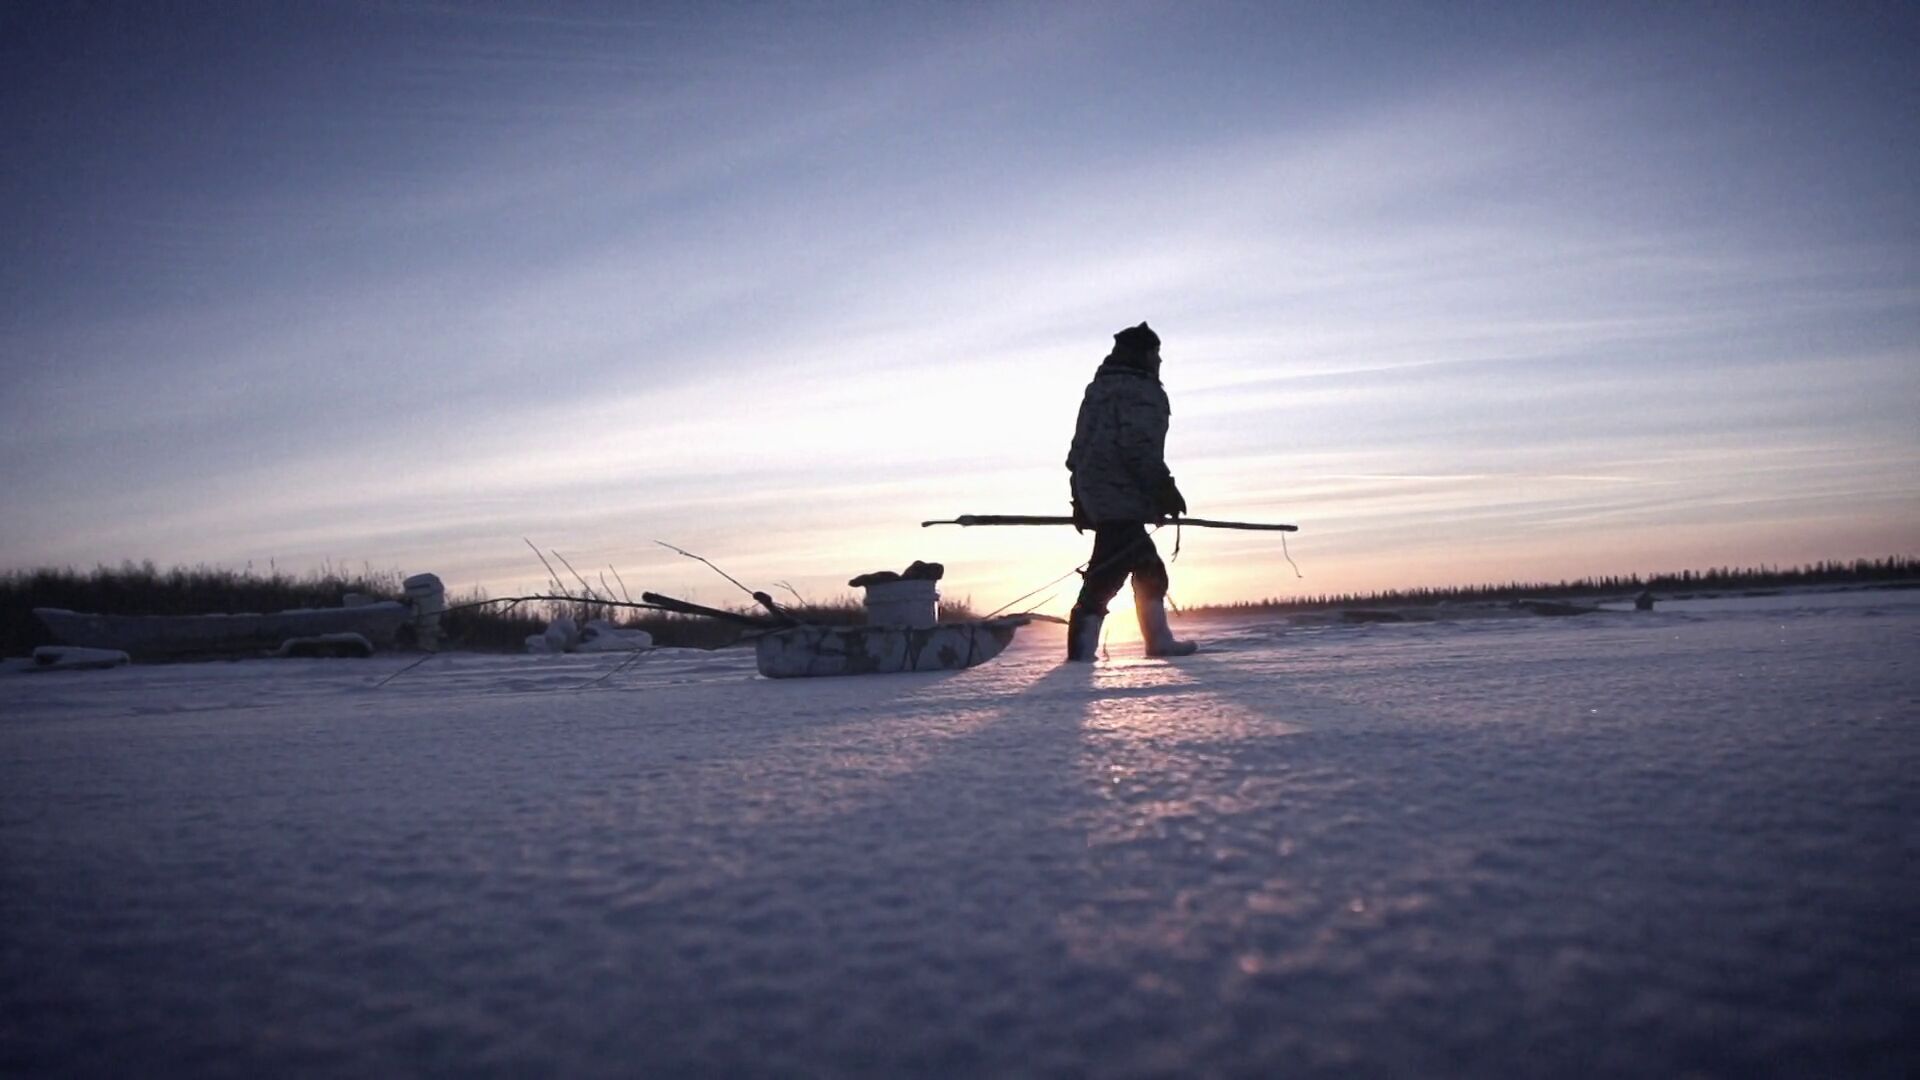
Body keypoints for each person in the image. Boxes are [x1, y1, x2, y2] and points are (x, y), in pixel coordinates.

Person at [1064, 322, 1197, 660]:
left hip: (1096, 490)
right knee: (1109, 573)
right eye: (1156, 354)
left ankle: (1155, 641)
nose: (1159, 362)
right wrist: (1162, 488)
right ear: (1146, 355)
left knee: (1146, 566)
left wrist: (1080, 497)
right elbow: (1139, 448)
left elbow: (1078, 449)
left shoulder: (1098, 390)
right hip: (1121, 492)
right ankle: (1085, 654)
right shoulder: (1140, 391)